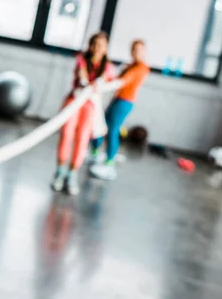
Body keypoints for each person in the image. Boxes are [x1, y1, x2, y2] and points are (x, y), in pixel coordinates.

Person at [51, 31, 115, 195]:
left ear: (106, 48)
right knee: (66, 134)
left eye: (101, 45)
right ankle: (60, 171)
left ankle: (72, 174)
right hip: (75, 100)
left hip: (90, 105)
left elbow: (109, 77)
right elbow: (81, 75)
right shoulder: (82, 60)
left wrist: (100, 81)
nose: (97, 48)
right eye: (94, 44)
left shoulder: (108, 67)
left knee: (82, 138)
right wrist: (87, 83)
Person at [89, 39, 150, 180]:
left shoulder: (141, 68)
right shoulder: (130, 66)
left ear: (144, 52)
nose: (135, 52)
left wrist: (102, 86)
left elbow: (123, 81)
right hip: (118, 99)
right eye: (133, 49)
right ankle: (97, 153)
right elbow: (117, 79)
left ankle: (109, 163)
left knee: (113, 130)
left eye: (139, 50)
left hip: (125, 102)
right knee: (102, 125)